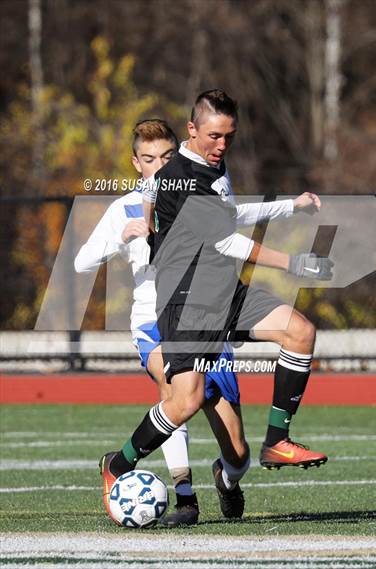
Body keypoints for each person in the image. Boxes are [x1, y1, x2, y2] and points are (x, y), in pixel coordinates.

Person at [100, 90, 333, 523]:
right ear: (192, 131)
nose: (222, 145)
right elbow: (226, 240)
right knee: (184, 403)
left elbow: (227, 215)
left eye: (229, 136)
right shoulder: (183, 175)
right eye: (213, 136)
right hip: (187, 300)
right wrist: (294, 263)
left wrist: (289, 207)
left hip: (224, 289)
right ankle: (118, 465)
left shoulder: (212, 166)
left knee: (300, 331)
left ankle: (277, 441)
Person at [74, 119, 252, 526]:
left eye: (167, 157)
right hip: (152, 321)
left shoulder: (204, 189)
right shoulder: (122, 208)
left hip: (206, 316)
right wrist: (123, 235)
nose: (159, 166)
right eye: (149, 159)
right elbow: (81, 263)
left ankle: (226, 480)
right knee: (175, 393)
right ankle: (184, 496)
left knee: (239, 452)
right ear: (136, 163)